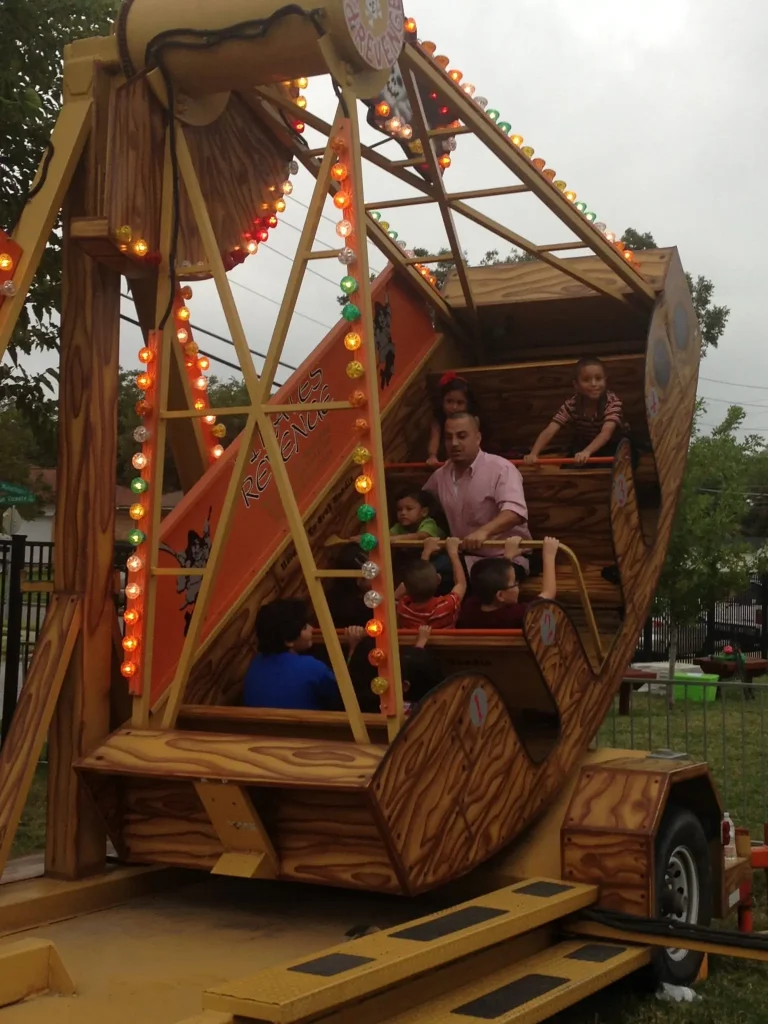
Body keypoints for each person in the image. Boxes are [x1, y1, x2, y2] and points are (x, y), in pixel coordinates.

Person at [424, 412, 532, 573]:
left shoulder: (501, 469)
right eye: (448, 437)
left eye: (461, 436)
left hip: (507, 556)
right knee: (424, 575)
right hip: (463, 556)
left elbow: (515, 513)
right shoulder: (440, 476)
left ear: (477, 438)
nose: (454, 443)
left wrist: (484, 532)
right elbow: (422, 504)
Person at [244, 598, 363, 711]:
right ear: (288, 641)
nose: (311, 628)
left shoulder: (256, 663)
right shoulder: (312, 668)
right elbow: (346, 699)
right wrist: (354, 649)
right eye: (304, 627)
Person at [524, 356, 627, 466]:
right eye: (586, 380)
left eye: (598, 378)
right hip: (586, 445)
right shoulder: (572, 405)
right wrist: (533, 454)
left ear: (605, 380)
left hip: (614, 445)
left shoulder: (612, 403)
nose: (593, 384)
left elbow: (606, 434)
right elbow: (550, 429)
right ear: (576, 385)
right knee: (571, 467)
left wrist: (587, 452)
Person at [458, 536, 560, 629]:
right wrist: (549, 556)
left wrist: (508, 556)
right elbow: (548, 593)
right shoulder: (516, 615)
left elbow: (490, 579)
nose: (517, 585)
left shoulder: (469, 609)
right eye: (515, 583)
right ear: (500, 595)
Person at [396, 536, 466, 629]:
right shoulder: (447, 605)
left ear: (405, 587)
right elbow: (461, 584)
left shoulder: (402, 608)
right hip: (445, 642)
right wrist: (453, 553)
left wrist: (426, 552)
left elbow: (392, 602)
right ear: (438, 579)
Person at [426, 372, 479, 467]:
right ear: (442, 401)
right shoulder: (438, 419)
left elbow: (475, 445)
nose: (454, 407)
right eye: (449, 401)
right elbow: (434, 440)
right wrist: (432, 456)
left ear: (468, 404)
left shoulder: (473, 420)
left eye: (460, 402)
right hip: (445, 458)